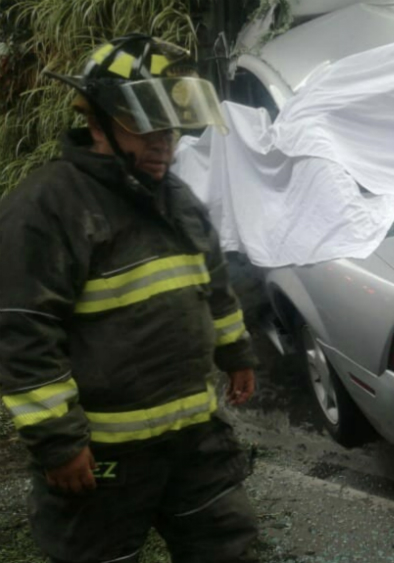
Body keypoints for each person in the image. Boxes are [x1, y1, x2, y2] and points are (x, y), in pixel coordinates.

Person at [0, 35, 260, 562]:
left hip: (195, 441)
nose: (164, 141)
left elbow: (213, 287)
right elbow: (22, 330)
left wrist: (236, 355)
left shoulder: (175, 199)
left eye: (170, 125)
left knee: (228, 549)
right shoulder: (48, 208)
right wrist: (59, 442)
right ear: (97, 124)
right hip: (105, 457)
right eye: (145, 123)